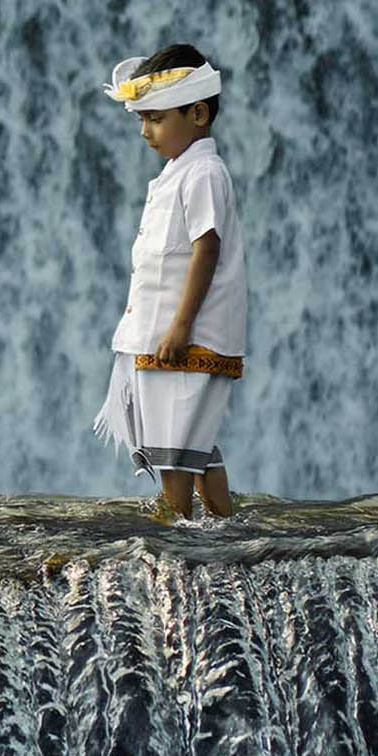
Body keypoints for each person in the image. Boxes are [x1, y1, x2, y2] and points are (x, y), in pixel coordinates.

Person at [94, 44, 247, 517]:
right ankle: (220, 523)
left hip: (186, 338)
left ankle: (176, 529)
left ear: (198, 113)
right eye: (141, 120)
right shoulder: (180, 172)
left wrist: (180, 327)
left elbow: (208, 249)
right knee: (195, 442)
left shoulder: (202, 173)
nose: (145, 132)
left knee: (176, 447)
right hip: (169, 334)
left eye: (155, 119)